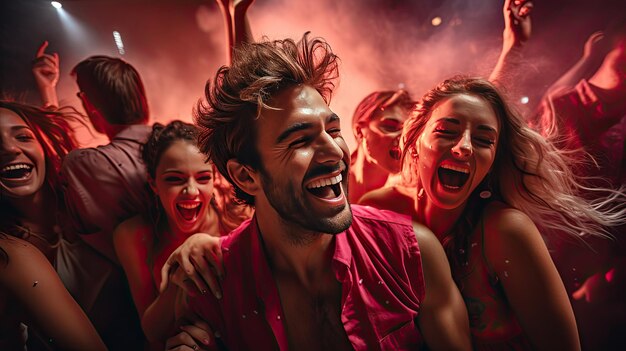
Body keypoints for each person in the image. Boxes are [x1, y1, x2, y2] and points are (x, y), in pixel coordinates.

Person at [162, 33, 471, 350]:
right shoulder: (213, 283)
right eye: (300, 140)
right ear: (245, 176)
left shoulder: (409, 253)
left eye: (333, 130)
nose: (336, 152)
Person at [360, 75, 626, 350]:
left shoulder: (506, 231)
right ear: (414, 141)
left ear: (493, 160)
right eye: (446, 131)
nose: (463, 148)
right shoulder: (379, 212)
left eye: (484, 140)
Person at [113, 121, 251, 348]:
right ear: (153, 184)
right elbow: (152, 332)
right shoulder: (132, 235)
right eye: (174, 179)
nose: (191, 191)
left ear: (215, 179)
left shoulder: (240, 218)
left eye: (203, 178)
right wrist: (178, 281)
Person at [531, 23, 626, 350]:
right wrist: (586, 60)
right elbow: (553, 101)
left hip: (598, 270)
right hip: (547, 250)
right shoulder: (571, 105)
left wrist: (610, 277)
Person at [0, 100, 106, 350]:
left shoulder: (85, 199)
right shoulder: (9, 253)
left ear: (43, 145)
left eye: (23, 137)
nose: (9, 149)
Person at [348, 90, 416, 205]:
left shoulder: (407, 196)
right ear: (359, 131)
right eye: (391, 126)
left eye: (409, 133)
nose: (403, 139)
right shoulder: (328, 177)